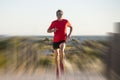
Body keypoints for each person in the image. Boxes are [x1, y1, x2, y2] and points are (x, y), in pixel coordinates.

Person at [47, 9, 73, 79]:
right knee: (56, 55)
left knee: (62, 49)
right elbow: (48, 31)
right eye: (58, 14)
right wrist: (53, 30)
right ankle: (57, 69)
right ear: (56, 15)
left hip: (63, 40)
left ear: (62, 15)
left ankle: (62, 63)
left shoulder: (66, 21)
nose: (59, 15)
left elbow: (71, 27)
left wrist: (69, 34)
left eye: (61, 14)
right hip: (55, 40)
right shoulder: (54, 22)